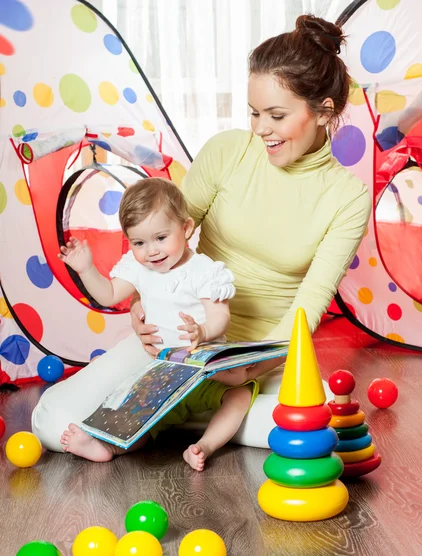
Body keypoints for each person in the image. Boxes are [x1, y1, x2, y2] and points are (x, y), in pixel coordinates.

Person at [32, 15, 371, 460]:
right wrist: (140, 307)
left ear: (323, 111)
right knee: (52, 421)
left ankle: (171, 417)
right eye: (253, 112)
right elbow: (162, 241)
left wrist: (247, 365)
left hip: (261, 362)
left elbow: (308, 306)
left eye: (276, 115)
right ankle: (187, 415)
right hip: (181, 345)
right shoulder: (227, 152)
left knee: (325, 431)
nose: (260, 128)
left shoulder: (348, 196)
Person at [57, 177, 260, 470]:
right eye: (139, 242)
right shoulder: (139, 268)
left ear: (186, 228)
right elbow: (109, 294)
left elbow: (220, 316)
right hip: (162, 376)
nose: (151, 251)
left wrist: (203, 331)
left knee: (240, 393)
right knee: (143, 418)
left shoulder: (203, 270)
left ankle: (204, 446)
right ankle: (106, 447)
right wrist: (86, 269)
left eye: (161, 238)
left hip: (204, 373)